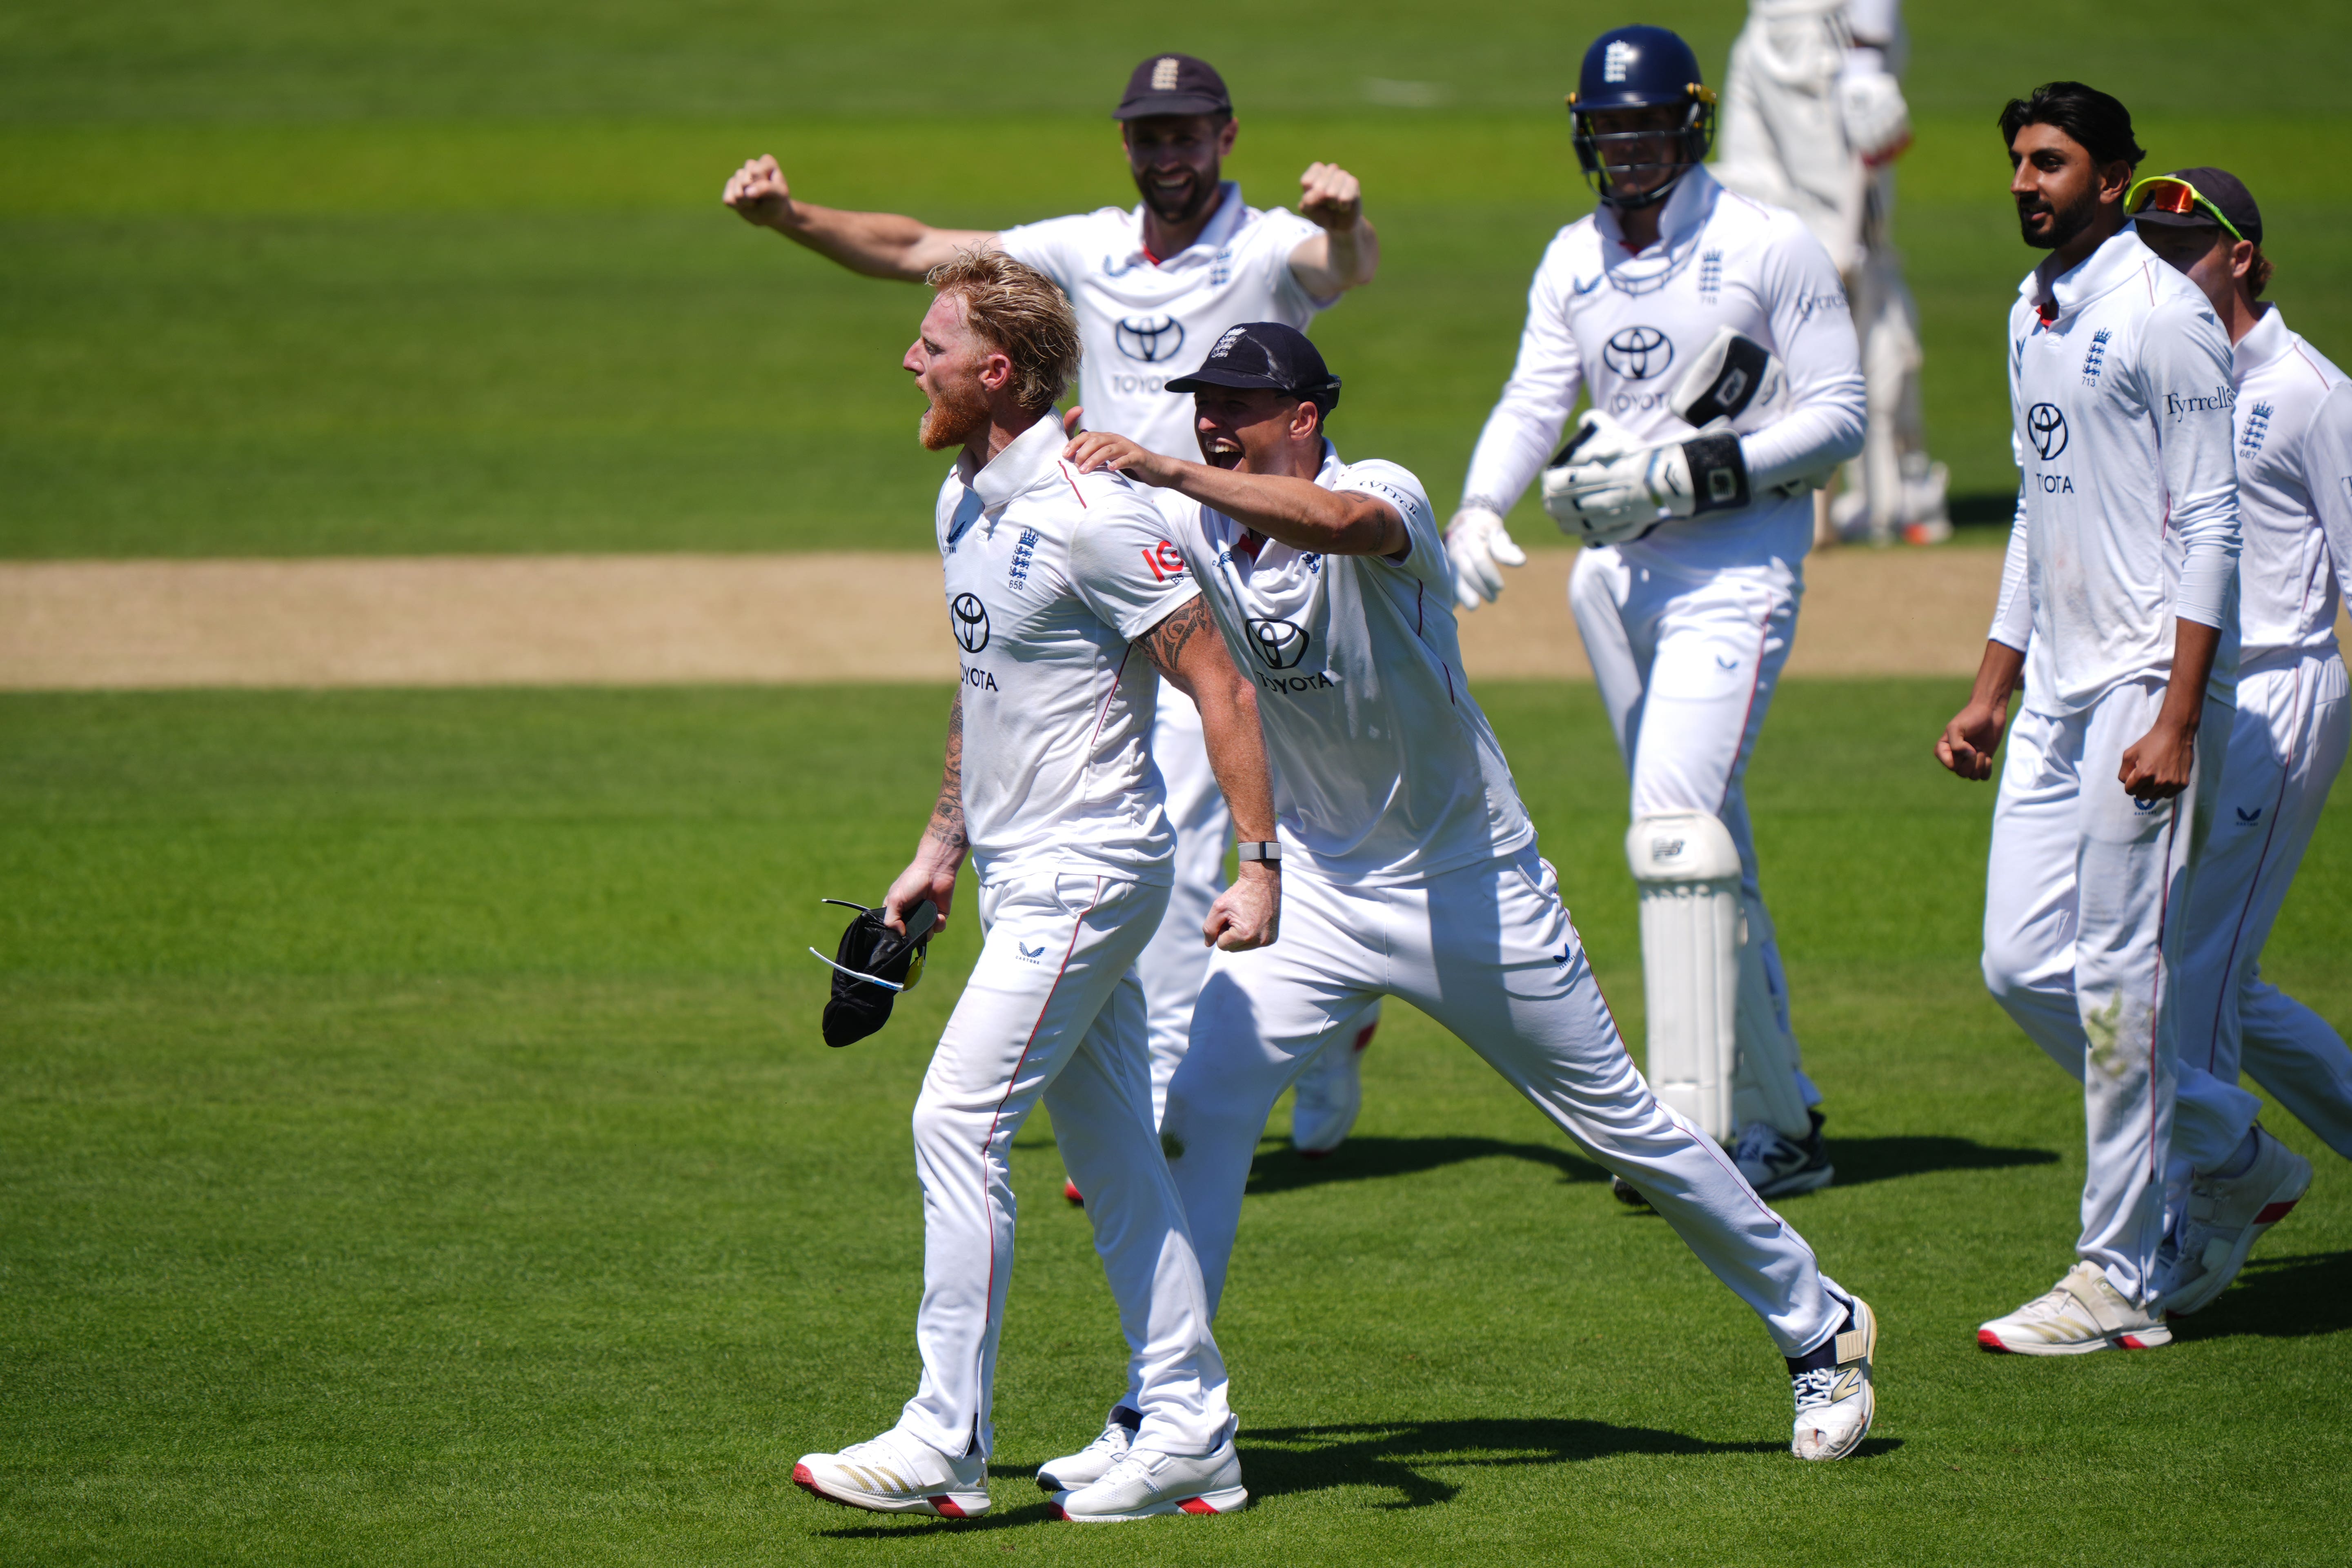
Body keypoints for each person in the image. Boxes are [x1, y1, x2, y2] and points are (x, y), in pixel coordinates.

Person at [1048, 321, 1880, 1514]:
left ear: (1307, 414)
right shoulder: (1192, 529)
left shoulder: (1378, 492)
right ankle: (1165, 1406)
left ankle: (1821, 1325)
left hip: (1467, 884)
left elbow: (1335, 529)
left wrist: (1168, 468)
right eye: (1202, 400)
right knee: (1202, 1111)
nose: (1213, 415)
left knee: (1621, 1127)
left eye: (1240, 399)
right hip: (1321, 894)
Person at [724, 52, 1386, 1161]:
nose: (1165, 152)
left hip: (1256, 562)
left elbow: (1344, 265)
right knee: (1173, 823)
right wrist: (792, 216)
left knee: (1308, 808)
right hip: (1116, 572)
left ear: (1225, 136)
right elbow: (915, 250)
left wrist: (1350, 215)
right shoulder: (1078, 247)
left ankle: (1329, 1013)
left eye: (1185, 133)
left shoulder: (1271, 241)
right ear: (1126, 143)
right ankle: (1178, 1100)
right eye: (1147, 134)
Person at [790, 251, 1281, 1519]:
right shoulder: (963, 501)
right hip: (1019, 873)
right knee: (1117, 1150)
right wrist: (941, 847)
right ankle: (1189, 1426)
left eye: (933, 344)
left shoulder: (1094, 512)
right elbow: (985, 678)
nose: (912, 359)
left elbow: (1219, 682)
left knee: (955, 1122)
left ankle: (942, 1439)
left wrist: (1260, 860)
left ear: (996, 372)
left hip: (1091, 871)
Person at [1445, 25, 1867, 1201]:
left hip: (1734, 569)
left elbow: (1840, 419)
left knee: (1674, 831)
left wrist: (1687, 476)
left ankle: (1690, 1132)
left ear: (1690, 124)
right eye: (1609, 130)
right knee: (1699, 840)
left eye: (1646, 129)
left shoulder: (1768, 246)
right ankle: (1784, 1126)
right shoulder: (1571, 258)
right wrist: (1480, 506)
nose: (1627, 151)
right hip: (1612, 581)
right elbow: (1536, 397)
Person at [1936, 85, 2241, 1354]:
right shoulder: (2032, 309)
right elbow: (2036, 508)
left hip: (2138, 692)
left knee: (2117, 983)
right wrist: (1992, 685)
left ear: (2113, 178)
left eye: (2050, 163)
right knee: (2021, 965)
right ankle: (2228, 1142)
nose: (2024, 181)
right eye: (2016, 161)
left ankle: (2116, 1276)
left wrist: (2177, 714)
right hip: (2056, 689)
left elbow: (2213, 523)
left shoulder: (2166, 320)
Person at [2134, 166, 2341, 1314]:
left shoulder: (2310, 393)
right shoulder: (2163, 379)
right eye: (2149, 249)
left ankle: (2197, 1228)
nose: (2164, 270)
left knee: (2190, 978)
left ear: (2244, 257)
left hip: (2278, 697)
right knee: (2225, 982)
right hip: (2189, 700)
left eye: (2186, 251)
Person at [1712, 0, 1950, 545]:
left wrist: (1866, 59)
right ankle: (1785, 466)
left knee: (1845, 260)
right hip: (1767, 27)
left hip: (1830, 36)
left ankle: (1894, 488)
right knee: (1754, 232)